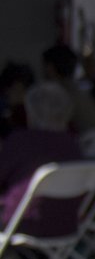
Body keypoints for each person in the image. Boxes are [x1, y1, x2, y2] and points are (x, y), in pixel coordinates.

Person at [0, 80, 87, 237]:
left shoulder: (22, 140)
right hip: (65, 227)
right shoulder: (73, 145)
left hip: (21, 224)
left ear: (31, 111)